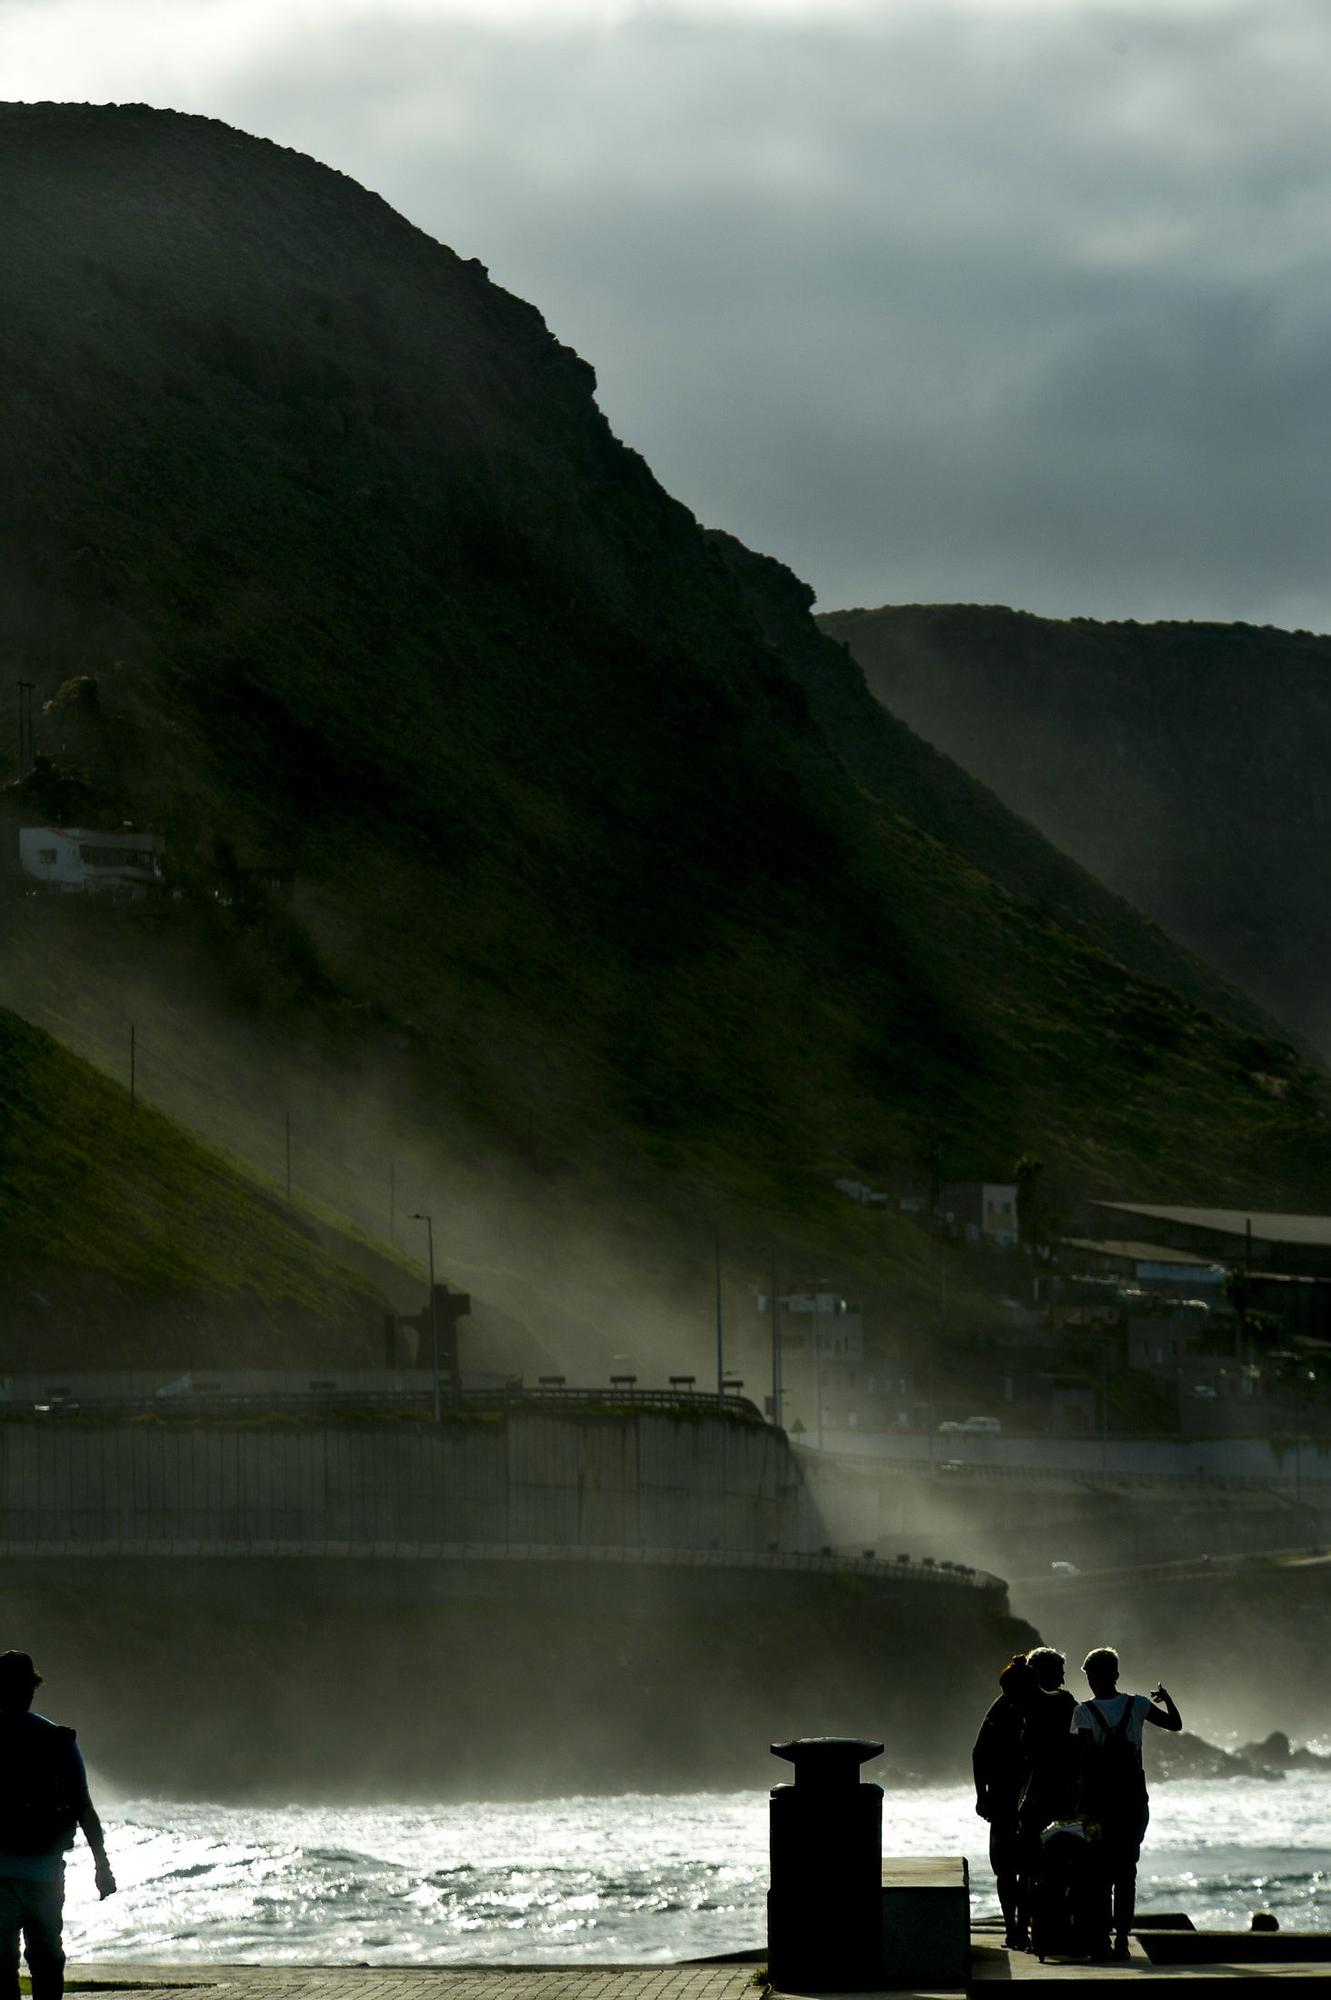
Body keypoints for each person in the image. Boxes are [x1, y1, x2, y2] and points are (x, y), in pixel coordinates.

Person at [0, 1651, 116, 2000]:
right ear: (31, 1690)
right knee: (47, 1961)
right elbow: (84, 1808)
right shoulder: (57, 1739)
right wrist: (102, 1865)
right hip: (45, 1874)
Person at [1074, 1645, 1182, 1960]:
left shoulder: (1083, 1712)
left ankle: (1102, 1941)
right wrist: (1168, 1699)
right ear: (1117, 1675)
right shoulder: (1137, 1705)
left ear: (1090, 1677)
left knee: (1099, 1875)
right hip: (1133, 1800)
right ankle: (1122, 1939)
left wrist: (1079, 1804)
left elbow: (1085, 1761)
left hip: (1099, 1802)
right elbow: (1175, 1725)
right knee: (1126, 1872)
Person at [1016, 1646, 1081, 1954]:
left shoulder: (1022, 1704)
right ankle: (1058, 1933)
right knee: (1063, 1866)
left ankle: (1030, 1934)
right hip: (1060, 1795)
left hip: (1034, 1794)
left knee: (1031, 1868)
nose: (1064, 1679)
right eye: (1059, 1672)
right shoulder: (1064, 1703)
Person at [972, 1653, 1034, 1949]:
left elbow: (978, 1753)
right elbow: (978, 1753)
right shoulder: (1020, 1707)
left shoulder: (1001, 1707)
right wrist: (981, 1795)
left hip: (1007, 1797)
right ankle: (1016, 1928)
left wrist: (982, 1794)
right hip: (1018, 1797)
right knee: (1017, 1869)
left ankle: (1017, 1929)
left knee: (1010, 1869)